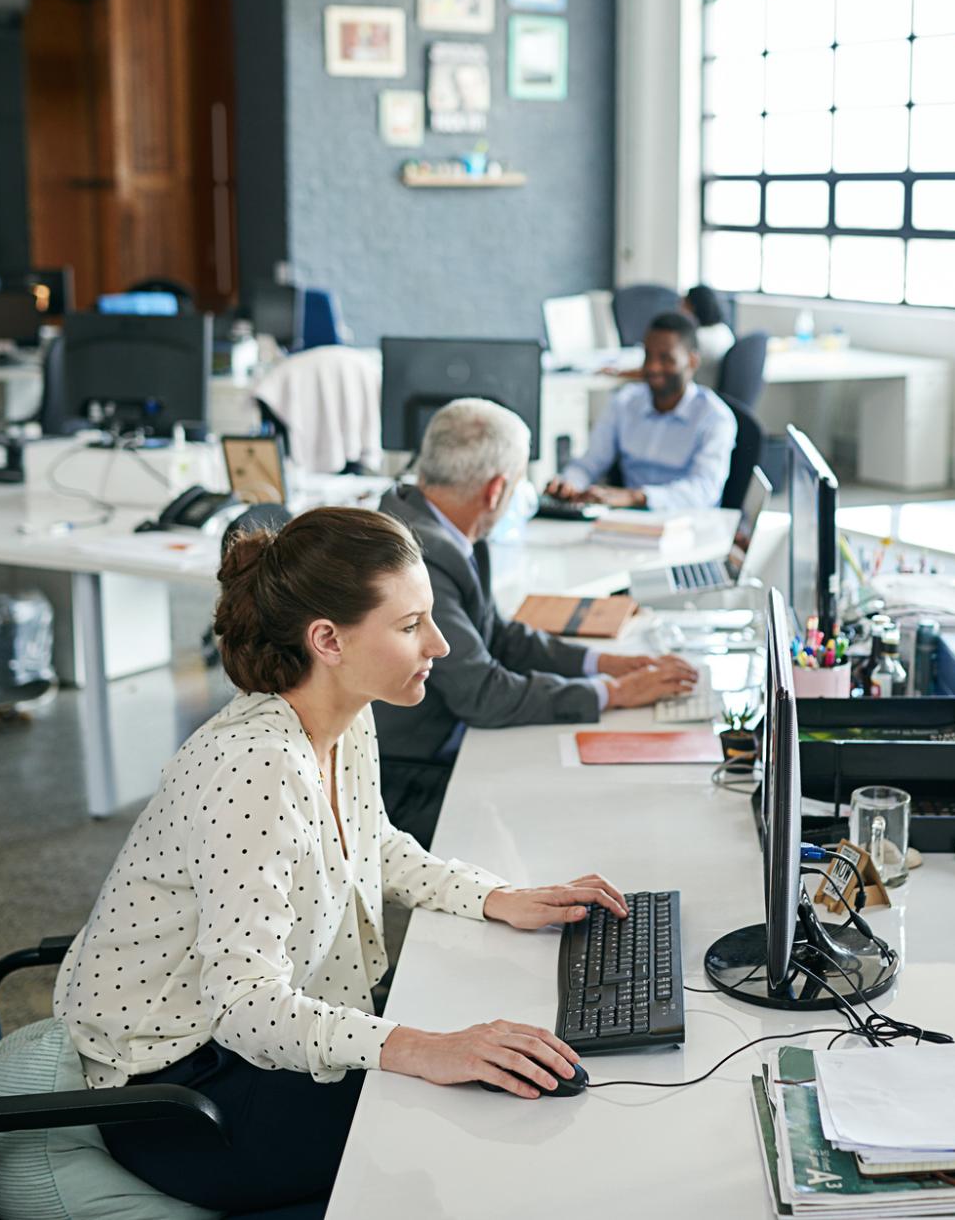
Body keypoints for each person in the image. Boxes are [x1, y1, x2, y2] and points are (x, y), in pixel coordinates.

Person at [53, 506, 636, 1213]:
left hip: (253, 1046)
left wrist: (496, 895)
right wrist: (424, 1047)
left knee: (502, 1078)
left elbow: (371, 842)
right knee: (475, 1135)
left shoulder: (344, 714)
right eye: (410, 624)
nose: (442, 645)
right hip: (182, 1093)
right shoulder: (254, 771)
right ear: (327, 639)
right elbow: (244, 1008)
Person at [375, 398, 698, 841]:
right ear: (495, 491)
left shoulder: (439, 524)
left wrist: (602, 664)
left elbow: (500, 636)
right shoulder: (420, 557)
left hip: (448, 741)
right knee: (571, 811)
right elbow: (483, 694)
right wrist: (614, 694)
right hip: (412, 774)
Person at [546, 310, 738, 510]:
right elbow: (590, 462)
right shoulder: (625, 402)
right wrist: (569, 483)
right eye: (648, 356)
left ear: (692, 362)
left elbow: (703, 490)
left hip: (689, 523)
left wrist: (638, 497)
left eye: (666, 359)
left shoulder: (715, 417)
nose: (653, 367)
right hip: (631, 521)